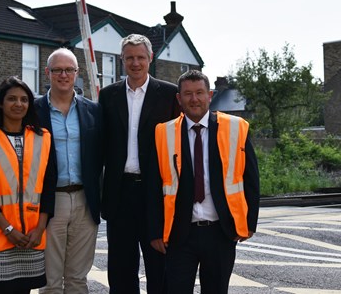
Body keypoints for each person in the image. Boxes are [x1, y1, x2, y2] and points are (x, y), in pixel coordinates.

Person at [147, 70, 260, 294]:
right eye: (187, 94)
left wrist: (248, 223)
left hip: (220, 232)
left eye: (199, 93)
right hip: (179, 234)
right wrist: (154, 231)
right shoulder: (163, 133)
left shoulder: (236, 128)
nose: (194, 99)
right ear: (179, 99)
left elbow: (251, 180)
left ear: (210, 95)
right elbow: (152, 186)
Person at [99, 33, 181, 293]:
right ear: (122, 60)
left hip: (155, 193)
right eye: (130, 58)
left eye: (140, 57)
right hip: (120, 193)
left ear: (150, 58)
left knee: (160, 267)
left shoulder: (169, 94)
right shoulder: (107, 95)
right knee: (121, 271)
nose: (135, 63)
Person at [0, 76, 57, 294]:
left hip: (31, 236)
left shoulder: (42, 137)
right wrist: (8, 229)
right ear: (0, 102)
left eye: (24, 99)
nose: (19, 104)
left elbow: (48, 186)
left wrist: (40, 228)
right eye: (12, 99)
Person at [35, 48, 104, 293]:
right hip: (50, 201)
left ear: (77, 73)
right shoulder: (33, 111)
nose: (63, 75)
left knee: (77, 279)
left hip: (86, 200)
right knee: (49, 280)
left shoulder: (93, 111)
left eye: (69, 70)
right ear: (47, 73)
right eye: (57, 70)